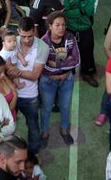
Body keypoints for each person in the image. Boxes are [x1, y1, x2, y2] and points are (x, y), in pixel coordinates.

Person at [6, 17, 48, 155]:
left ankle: (33, 156)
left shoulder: (42, 47)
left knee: (33, 128)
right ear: (18, 32)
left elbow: (35, 75)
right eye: (23, 36)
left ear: (34, 30)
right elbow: (4, 65)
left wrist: (15, 72)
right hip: (11, 93)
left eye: (30, 36)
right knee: (6, 127)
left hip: (30, 96)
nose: (26, 40)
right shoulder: (12, 41)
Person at [39, 12, 80, 146]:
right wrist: (65, 63)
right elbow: (44, 67)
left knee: (65, 106)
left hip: (66, 80)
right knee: (46, 108)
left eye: (63, 25)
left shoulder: (70, 38)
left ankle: (64, 130)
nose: (61, 28)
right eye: (57, 25)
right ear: (50, 26)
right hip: (47, 81)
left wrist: (56, 65)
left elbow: (76, 61)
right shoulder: (43, 42)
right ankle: (44, 132)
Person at [61, 0, 99, 87]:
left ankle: (87, 74)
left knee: (87, 52)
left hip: (85, 28)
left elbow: (90, 12)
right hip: (70, 29)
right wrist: (81, 12)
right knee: (67, 51)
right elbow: (65, 13)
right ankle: (68, 71)